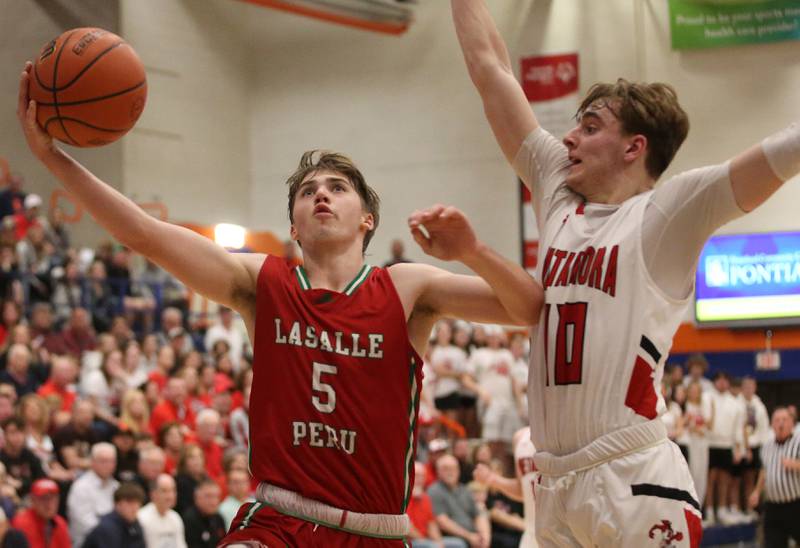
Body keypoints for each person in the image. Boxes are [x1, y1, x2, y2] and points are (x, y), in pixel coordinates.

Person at [18, 61, 542, 547]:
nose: (322, 195)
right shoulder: (261, 281)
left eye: (338, 188)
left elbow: (528, 309)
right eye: (308, 190)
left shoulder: (407, 288)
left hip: (376, 530)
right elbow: (146, 234)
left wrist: (473, 251)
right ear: (292, 226)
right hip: (278, 521)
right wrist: (50, 157)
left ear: (367, 221)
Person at [450, 0, 799, 544]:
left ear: (635, 147)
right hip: (554, 482)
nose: (568, 139)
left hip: (632, 477)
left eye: (590, 127)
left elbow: (777, 154)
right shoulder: (558, 192)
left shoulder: (668, 213)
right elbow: (490, 69)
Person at [473, 427, 537, 547]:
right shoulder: (520, 437)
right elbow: (521, 490)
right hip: (532, 532)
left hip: (564, 530)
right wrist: (493, 480)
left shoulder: (568, 426)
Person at [748, 407, 800, 548]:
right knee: (772, 543)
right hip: (773, 507)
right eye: (777, 420)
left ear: (792, 423)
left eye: (785, 420)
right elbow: (764, 471)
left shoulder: (798, 441)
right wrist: (757, 492)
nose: (781, 423)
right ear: (772, 425)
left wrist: (795, 464)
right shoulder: (767, 445)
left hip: (795, 505)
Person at [428, 455, 491, 547]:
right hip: (451, 537)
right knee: (459, 544)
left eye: (454, 468)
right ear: (438, 471)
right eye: (446, 468)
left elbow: (479, 515)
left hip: (473, 536)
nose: (450, 472)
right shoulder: (434, 491)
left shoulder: (465, 490)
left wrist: (485, 537)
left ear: (459, 470)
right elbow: (442, 522)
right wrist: (469, 536)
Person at [66, 442, 119, 547]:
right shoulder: (81, 487)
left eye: (111, 461)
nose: (108, 465)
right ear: (93, 462)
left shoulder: (116, 486)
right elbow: (85, 524)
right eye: (103, 461)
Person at [406, 461, 466, 548]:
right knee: (432, 546)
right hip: (410, 541)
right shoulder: (404, 498)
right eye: (416, 475)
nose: (419, 479)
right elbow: (408, 528)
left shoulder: (425, 498)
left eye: (422, 476)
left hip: (426, 540)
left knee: (459, 544)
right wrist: (427, 541)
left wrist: (439, 542)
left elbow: (431, 524)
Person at [82, 482, 146, 548]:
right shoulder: (107, 527)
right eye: (130, 503)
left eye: (137, 503)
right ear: (117, 504)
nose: (134, 507)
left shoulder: (134, 523)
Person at [10, 478, 70, 548]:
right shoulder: (20, 524)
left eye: (53, 498)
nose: (49, 504)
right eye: (43, 498)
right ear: (33, 500)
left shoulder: (61, 523)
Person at [137, 474, 187, 548]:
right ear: (153, 494)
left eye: (173, 490)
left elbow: (181, 545)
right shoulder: (142, 518)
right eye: (164, 491)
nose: (170, 496)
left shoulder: (175, 517)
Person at [181, 479, 226, 548]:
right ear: (197, 497)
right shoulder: (189, 520)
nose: (213, 502)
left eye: (216, 497)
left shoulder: (218, 518)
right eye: (208, 496)